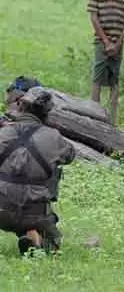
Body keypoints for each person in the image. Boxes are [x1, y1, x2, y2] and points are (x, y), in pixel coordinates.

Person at [0, 88, 75, 256]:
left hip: (1, 211)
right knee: (53, 242)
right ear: (46, 113)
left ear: (21, 107)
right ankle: (37, 240)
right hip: (34, 212)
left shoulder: (4, 133)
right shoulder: (53, 137)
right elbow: (70, 155)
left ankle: (29, 236)